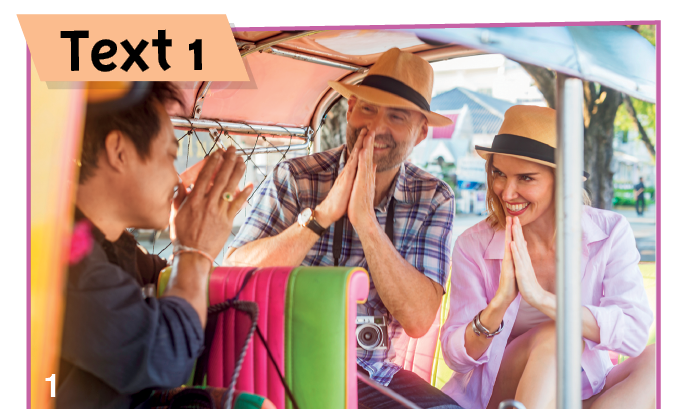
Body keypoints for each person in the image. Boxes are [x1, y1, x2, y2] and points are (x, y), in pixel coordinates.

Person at [226, 48, 462, 409]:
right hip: (284, 360)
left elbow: (418, 320)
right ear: (350, 109)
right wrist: (321, 215)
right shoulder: (295, 177)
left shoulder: (433, 197)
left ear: (420, 133)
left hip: (371, 370)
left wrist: (366, 222)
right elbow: (233, 273)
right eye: (367, 108)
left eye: (396, 116)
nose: (376, 127)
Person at [440, 105, 655, 409]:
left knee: (662, 361)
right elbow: (455, 357)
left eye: (525, 178)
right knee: (558, 336)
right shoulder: (473, 244)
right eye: (499, 173)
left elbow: (633, 335)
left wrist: (541, 298)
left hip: (579, 389)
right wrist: (498, 305)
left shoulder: (610, 232)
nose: (506, 191)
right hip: (500, 391)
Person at [56, 82, 254, 409]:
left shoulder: (111, 245)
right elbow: (165, 356)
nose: (176, 179)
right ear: (119, 150)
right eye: (170, 156)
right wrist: (194, 251)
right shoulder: (62, 258)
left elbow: (178, 293)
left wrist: (190, 247)